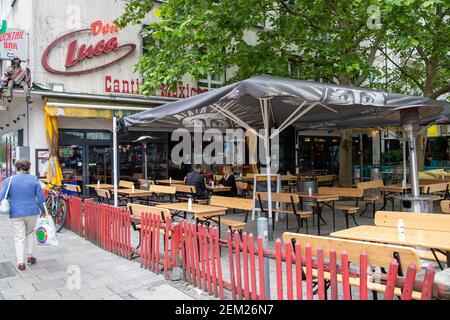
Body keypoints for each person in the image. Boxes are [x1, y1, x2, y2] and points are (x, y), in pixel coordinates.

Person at [0, 158, 45, 271]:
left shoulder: (9, 180)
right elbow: (41, 198)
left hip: (16, 212)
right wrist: (43, 211)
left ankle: (20, 262)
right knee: (30, 233)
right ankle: (30, 256)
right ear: (28, 168)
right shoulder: (34, 179)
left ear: (16, 168)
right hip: (32, 211)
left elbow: (2, 196)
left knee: (19, 237)